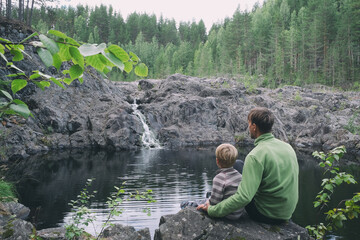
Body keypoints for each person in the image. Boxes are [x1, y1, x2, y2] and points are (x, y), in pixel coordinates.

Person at [197, 107, 299, 224]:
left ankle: (217, 196)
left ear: (254, 127)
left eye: (249, 124)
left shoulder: (255, 155)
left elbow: (244, 197)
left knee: (236, 167)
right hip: (286, 213)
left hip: (266, 214)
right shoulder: (287, 147)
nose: (248, 127)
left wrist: (213, 210)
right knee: (238, 164)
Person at [182, 143, 244, 220]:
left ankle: (187, 204)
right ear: (234, 161)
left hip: (227, 214)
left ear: (217, 161)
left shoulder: (219, 178)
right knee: (206, 199)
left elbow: (214, 202)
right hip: (238, 213)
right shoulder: (240, 175)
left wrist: (207, 204)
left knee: (197, 205)